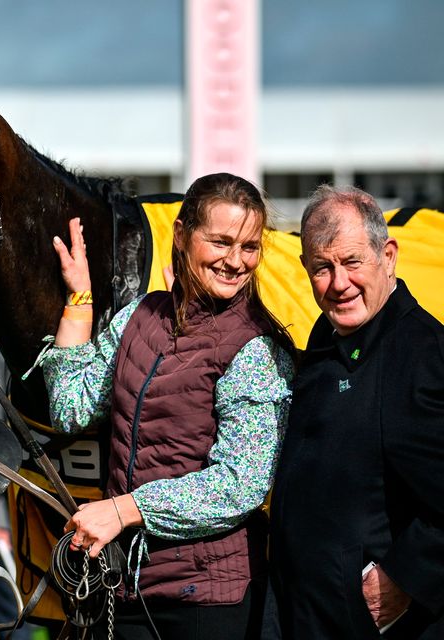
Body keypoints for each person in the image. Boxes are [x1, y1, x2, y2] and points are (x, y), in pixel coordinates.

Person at [39, 172, 294, 639]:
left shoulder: (255, 348)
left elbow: (241, 484)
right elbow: (71, 408)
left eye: (249, 246)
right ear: (182, 236)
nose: (235, 262)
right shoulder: (138, 316)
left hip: (209, 601)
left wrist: (125, 510)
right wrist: (78, 299)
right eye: (220, 242)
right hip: (122, 589)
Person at [270, 185, 444, 639]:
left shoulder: (422, 355)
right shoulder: (328, 337)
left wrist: (405, 578)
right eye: (321, 268)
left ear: (387, 256)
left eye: (351, 262)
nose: (338, 283)